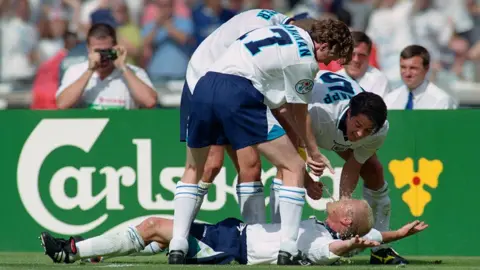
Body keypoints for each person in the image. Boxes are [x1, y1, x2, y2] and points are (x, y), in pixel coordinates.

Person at [173, 17, 353, 265]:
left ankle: (177, 244)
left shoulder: (279, 31)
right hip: (238, 92)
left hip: (204, 86)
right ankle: (287, 248)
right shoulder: (306, 61)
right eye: (331, 56)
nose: (328, 63)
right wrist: (313, 152)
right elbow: (299, 113)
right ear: (324, 44)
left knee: (193, 168)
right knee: (294, 167)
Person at [180, 9, 328, 229]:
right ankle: (180, 232)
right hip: (204, 78)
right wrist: (305, 164)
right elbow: (281, 112)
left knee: (250, 165)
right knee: (210, 165)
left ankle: (254, 236)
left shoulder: (279, 27)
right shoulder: (282, 40)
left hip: (229, 86)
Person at [272, 70, 408, 264]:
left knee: (374, 171)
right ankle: (278, 240)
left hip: (331, 128)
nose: (360, 134)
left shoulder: (380, 130)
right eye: (358, 124)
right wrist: (309, 181)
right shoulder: (318, 114)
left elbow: (354, 165)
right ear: (350, 113)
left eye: (368, 130)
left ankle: (380, 250)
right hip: (294, 113)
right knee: (285, 169)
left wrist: (346, 203)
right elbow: (291, 154)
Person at [39, 198, 428, 265]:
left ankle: (70, 249)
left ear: (345, 223)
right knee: (155, 228)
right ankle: (91, 249)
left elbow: (331, 252)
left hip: (232, 248)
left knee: (154, 226)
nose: (341, 199)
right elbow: (372, 238)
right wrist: (398, 234)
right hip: (232, 234)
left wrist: (349, 246)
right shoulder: (324, 226)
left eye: (347, 204)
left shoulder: (323, 239)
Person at [56, 23, 158, 109]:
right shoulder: (75, 71)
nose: (102, 56)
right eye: (98, 51)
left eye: (106, 51)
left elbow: (150, 101)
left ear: (115, 48)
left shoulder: (134, 72)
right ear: (88, 49)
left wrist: (123, 68)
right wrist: (90, 71)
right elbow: (62, 104)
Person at [385, 45, 457, 110]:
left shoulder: (441, 101)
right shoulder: (390, 99)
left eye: (413, 68)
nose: (407, 73)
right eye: (403, 67)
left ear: (426, 68)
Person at [337, 31, 391, 99]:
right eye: (352, 54)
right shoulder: (331, 80)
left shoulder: (379, 80)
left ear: (369, 57)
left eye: (361, 55)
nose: (356, 59)